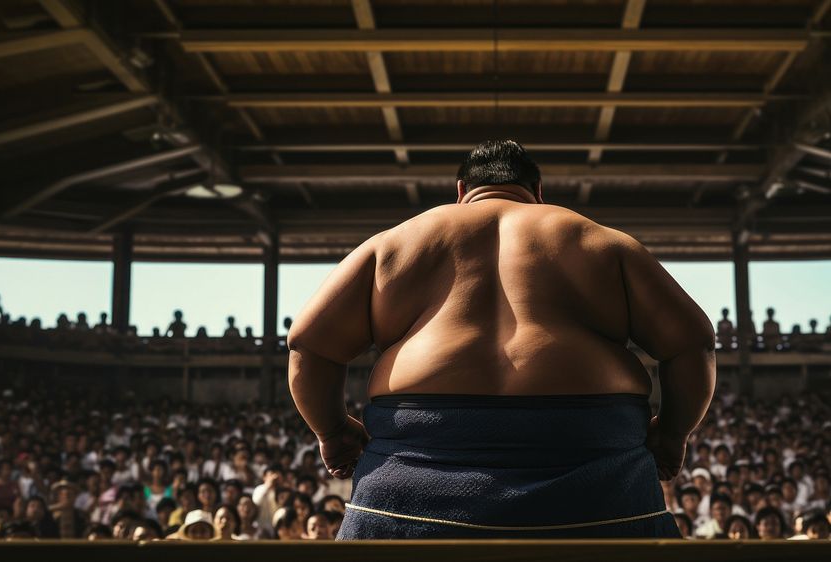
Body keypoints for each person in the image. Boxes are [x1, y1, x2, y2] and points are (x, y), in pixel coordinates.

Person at [288, 140, 716, 539]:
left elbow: (308, 343)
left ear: (461, 191)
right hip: (595, 468)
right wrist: (674, 432)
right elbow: (693, 342)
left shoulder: (395, 244)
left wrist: (333, 430)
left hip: (414, 472)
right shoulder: (601, 241)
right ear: (538, 191)